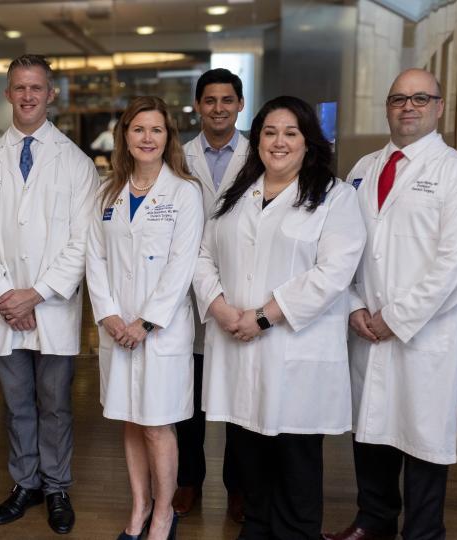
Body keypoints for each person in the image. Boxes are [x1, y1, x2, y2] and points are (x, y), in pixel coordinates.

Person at [326, 69, 457, 540]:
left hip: (427, 332)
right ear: (387, 106)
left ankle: (423, 531)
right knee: (370, 428)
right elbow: (345, 246)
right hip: (365, 325)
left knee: (423, 437)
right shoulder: (362, 169)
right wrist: (354, 304)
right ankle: (373, 521)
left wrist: (396, 318)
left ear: (439, 106)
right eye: (399, 98)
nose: (409, 107)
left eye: (421, 98)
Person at [192, 96, 366, 539]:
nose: (279, 141)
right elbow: (201, 255)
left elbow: (333, 274)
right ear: (257, 139)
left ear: (309, 141)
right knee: (250, 455)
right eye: (270, 132)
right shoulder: (238, 194)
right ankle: (258, 529)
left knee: (295, 461)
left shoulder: (336, 197)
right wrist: (220, 307)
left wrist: (263, 318)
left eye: (291, 133)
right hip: (238, 345)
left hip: (294, 351)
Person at [0, 54, 97, 535]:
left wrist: (34, 294)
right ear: (7, 93)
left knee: (55, 402)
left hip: (51, 306)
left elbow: (84, 241)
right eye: (19, 88)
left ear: (51, 94)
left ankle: (56, 486)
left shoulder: (76, 163)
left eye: (36, 88)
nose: (28, 96)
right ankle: (25, 483)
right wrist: (4, 293)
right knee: (16, 405)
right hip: (3, 308)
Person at [85, 96, 203, 540]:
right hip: (118, 329)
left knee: (158, 424)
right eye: (138, 129)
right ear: (125, 136)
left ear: (168, 136)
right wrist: (111, 316)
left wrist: (146, 322)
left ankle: (163, 515)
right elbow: (93, 258)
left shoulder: (184, 192)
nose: (147, 138)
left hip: (160, 331)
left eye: (156, 130)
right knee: (130, 421)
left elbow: (182, 263)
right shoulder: (107, 192)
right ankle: (138, 509)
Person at [175, 67, 250, 522]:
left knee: (240, 402)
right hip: (188, 296)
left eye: (227, 100)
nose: (218, 108)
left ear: (240, 104)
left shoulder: (260, 155)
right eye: (210, 100)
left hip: (241, 295)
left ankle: (239, 488)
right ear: (199, 106)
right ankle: (188, 481)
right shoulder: (179, 157)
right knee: (189, 401)